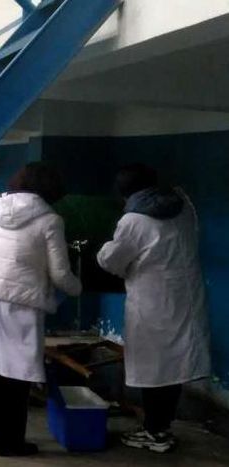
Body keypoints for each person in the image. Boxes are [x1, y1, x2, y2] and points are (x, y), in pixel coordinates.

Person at [0, 162, 81, 457]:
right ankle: (11, 443)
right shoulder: (50, 220)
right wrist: (78, 287)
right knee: (17, 376)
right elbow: (60, 273)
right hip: (22, 303)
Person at [97, 164, 210, 453]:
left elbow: (112, 261)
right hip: (184, 297)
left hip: (153, 302)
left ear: (124, 193)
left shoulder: (133, 220)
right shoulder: (183, 207)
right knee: (172, 366)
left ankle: (155, 432)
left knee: (153, 368)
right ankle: (161, 427)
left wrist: (103, 249)